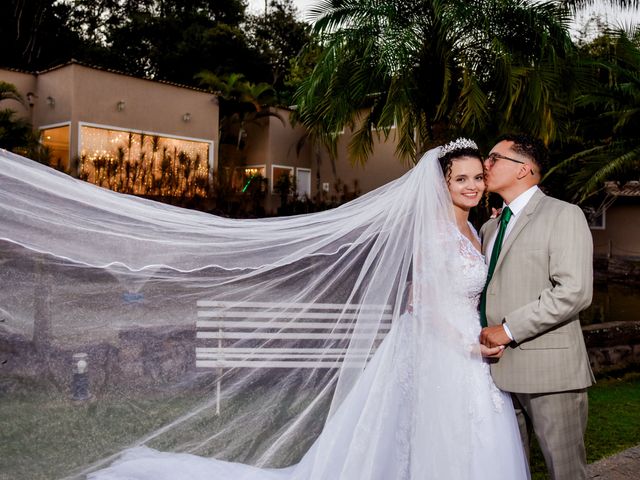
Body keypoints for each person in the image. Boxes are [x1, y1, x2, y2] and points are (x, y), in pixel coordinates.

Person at [87, 139, 529, 480]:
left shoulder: (477, 229)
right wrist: (467, 344)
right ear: (442, 184)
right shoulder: (433, 233)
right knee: (437, 434)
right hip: (444, 346)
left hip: (471, 345)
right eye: (461, 179)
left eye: (477, 178)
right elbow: (424, 302)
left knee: (469, 434)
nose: (472, 186)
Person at [479, 134, 594, 480]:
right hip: (497, 374)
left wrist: (509, 329)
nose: (486, 164)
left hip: (551, 374)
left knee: (566, 472)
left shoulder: (563, 215)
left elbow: (574, 291)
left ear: (523, 169)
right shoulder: (488, 227)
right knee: (514, 471)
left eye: (494, 158)